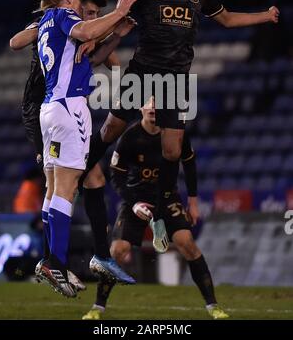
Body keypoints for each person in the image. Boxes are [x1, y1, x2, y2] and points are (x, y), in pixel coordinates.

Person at [79, 0, 280, 254]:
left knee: (172, 151)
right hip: (143, 72)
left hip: (176, 81)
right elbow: (118, 16)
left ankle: (159, 214)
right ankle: (77, 178)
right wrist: (94, 37)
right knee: (110, 130)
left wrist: (265, 16)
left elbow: (227, 19)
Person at [10, 0, 135, 287]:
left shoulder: (48, 22)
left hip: (49, 109)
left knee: (54, 186)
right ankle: (57, 263)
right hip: (68, 108)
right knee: (67, 187)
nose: (82, 9)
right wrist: (119, 13)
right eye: (79, 2)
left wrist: (110, 33)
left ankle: (53, 260)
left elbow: (94, 45)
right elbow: (84, 33)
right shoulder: (64, 17)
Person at [82, 98, 228, 320]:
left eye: (156, 103)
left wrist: (194, 202)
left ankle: (213, 306)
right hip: (136, 199)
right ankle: (97, 307)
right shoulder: (130, 137)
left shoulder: (176, 133)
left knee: (187, 244)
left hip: (167, 199)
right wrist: (134, 204)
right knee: (118, 251)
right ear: (140, 108)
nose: (152, 107)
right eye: (147, 104)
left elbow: (189, 164)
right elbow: (117, 176)